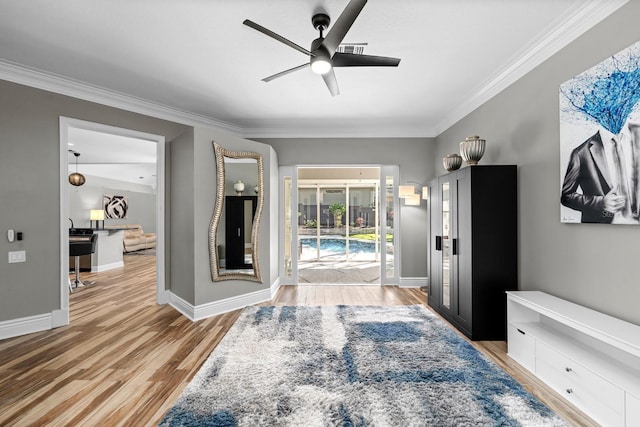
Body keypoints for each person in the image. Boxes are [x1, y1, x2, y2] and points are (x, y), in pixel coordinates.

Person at [561, 122, 640, 223]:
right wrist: (600, 203)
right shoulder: (581, 153)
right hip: (602, 226)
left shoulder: (637, 132)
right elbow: (566, 197)